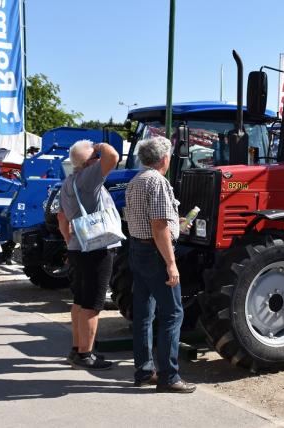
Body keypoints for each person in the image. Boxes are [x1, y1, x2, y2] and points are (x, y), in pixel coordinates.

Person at [125, 136, 196, 393]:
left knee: (144, 314)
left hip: (137, 249)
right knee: (173, 314)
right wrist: (171, 263)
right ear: (164, 159)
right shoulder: (158, 182)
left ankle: (144, 371)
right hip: (155, 253)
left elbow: (149, 220)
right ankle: (169, 377)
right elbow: (158, 227)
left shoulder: (135, 181)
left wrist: (174, 223)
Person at [57, 139, 120, 370]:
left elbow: (61, 218)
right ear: (90, 162)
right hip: (96, 248)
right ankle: (86, 353)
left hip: (77, 248)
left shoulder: (68, 182)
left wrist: (69, 241)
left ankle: (77, 349)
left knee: (79, 300)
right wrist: (101, 145)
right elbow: (113, 156)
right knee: (93, 303)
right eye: (95, 156)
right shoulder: (90, 176)